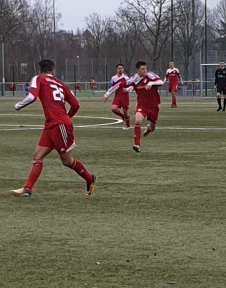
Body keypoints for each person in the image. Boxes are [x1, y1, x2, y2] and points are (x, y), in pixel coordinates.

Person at [11, 59, 96, 198]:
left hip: (58, 125)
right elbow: (76, 105)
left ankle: (89, 179)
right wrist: (66, 117)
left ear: (41, 70)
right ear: (52, 70)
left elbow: (32, 96)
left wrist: (18, 106)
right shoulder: (61, 84)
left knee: (67, 161)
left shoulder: (38, 78)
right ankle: (27, 189)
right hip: (51, 125)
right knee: (37, 156)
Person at [103, 60, 164, 152]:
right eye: (142, 69)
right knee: (137, 121)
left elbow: (161, 82)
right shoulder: (133, 79)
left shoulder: (150, 75)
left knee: (152, 128)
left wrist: (151, 83)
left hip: (153, 106)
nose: (145, 70)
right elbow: (119, 84)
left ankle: (148, 129)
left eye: (145, 68)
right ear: (137, 70)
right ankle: (136, 144)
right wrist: (107, 94)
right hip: (141, 105)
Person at [106, 63, 130, 129]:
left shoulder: (126, 78)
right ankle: (122, 116)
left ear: (123, 69)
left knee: (125, 111)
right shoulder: (113, 78)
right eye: (119, 68)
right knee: (113, 109)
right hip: (117, 96)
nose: (120, 70)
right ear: (116, 69)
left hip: (124, 96)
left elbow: (130, 86)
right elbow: (112, 87)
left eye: (121, 68)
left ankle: (127, 125)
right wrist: (108, 92)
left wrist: (127, 89)